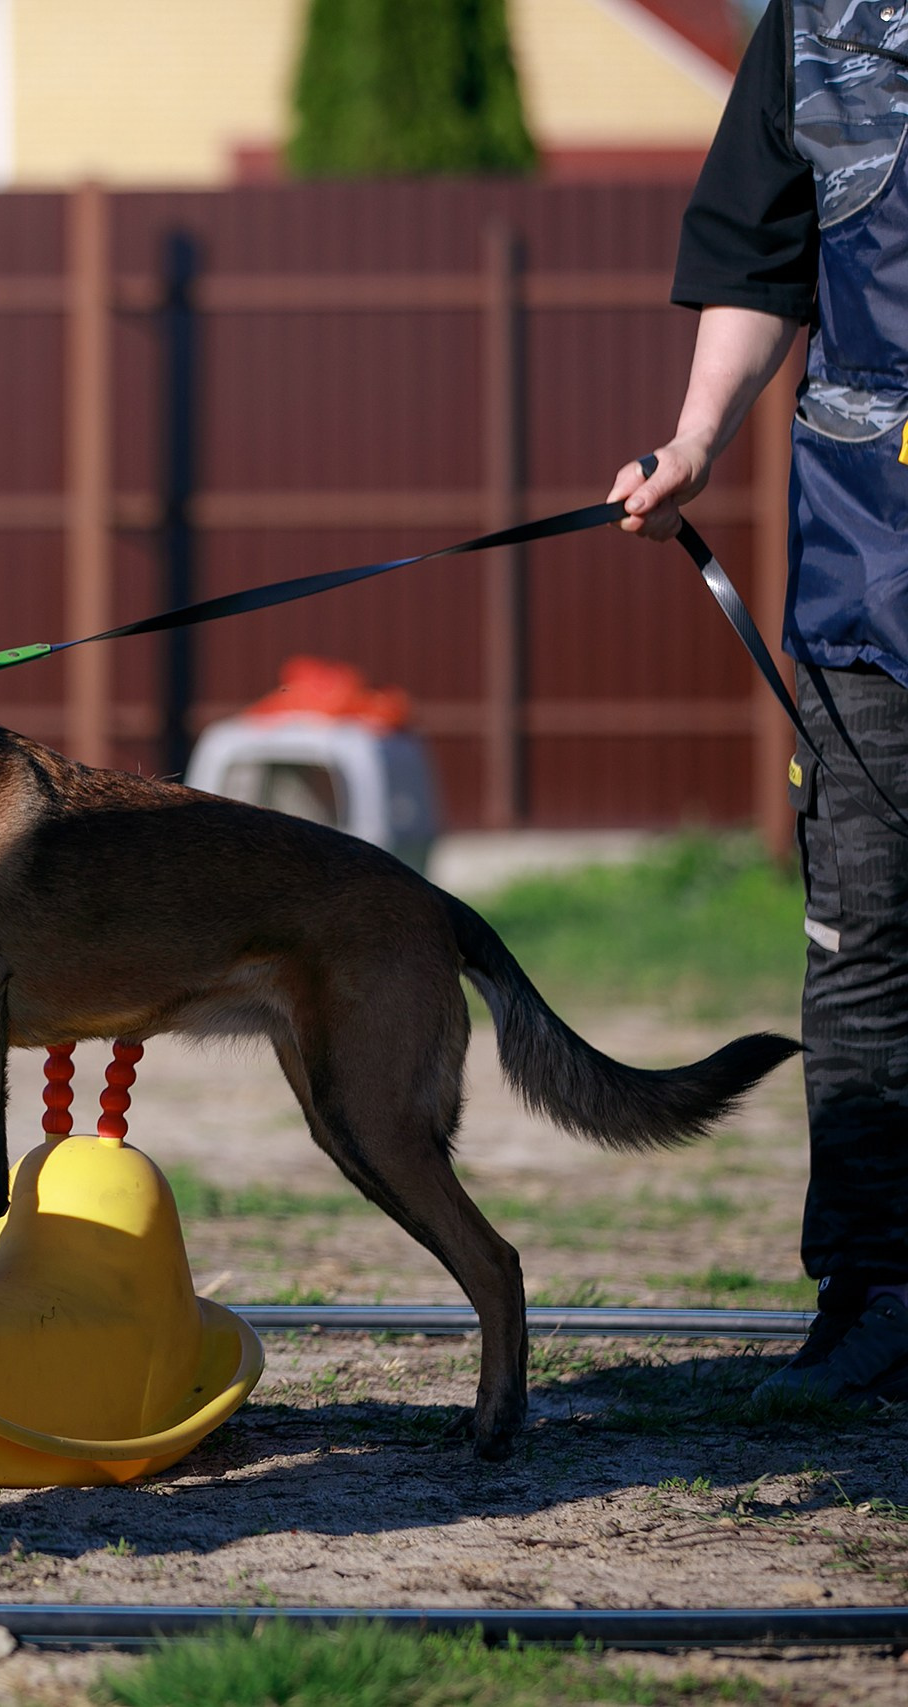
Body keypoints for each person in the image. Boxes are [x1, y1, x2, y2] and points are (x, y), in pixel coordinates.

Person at [610, 0, 908, 1406]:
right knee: (865, 936)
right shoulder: (822, 21)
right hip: (875, 571)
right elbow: (760, 254)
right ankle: (879, 1290)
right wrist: (692, 441)